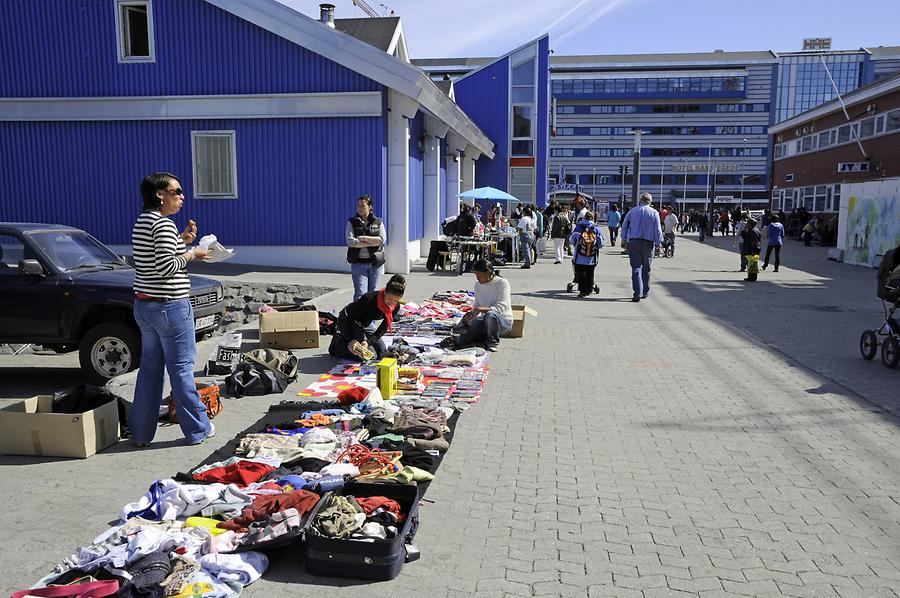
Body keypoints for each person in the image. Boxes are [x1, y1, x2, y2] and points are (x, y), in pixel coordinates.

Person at [130, 172, 213, 448]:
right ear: (159, 194)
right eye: (176, 191)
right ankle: (198, 429)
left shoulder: (143, 222)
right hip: (170, 306)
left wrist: (182, 241)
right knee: (181, 370)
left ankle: (140, 433)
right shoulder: (162, 224)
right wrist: (193, 254)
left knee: (150, 370)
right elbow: (166, 268)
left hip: (145, 305)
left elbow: (155, 258)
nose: (181, 196)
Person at [328, 274, 405, 361]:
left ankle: (352, 341)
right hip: (348, 320)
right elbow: (350, 318)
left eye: (395, 300)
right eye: (389, 299)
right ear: (385, 292)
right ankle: (338, 345)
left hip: (365, 324)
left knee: (382, 352)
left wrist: (368, 342)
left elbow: (383, 328)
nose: (391, 303)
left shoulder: (395, 307)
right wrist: (352, 339)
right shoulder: (369, 298)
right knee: (368, 357)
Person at [446, 259, 513, 352]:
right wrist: (472, 314)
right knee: (461, 341)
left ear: (488, 272)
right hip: (484, 320)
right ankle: (481, 340)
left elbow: (501, 306)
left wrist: (480, 309)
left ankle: (492, 342)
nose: (477, 278)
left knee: (490, 315)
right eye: (476, 275)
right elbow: (477, 304)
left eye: (479, 275)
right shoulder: (478, 285)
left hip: (502, 321)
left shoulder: (501, 283)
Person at [620, 192, 662, 302]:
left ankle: (637, 292)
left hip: (634, 242)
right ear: (650, 201)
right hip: (648, 243)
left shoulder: (633, 211)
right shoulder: (654, 213)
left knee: (636, 268)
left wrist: (624, 238)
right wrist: (658, 244)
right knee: (647, 268)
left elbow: (624, 224)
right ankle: (644, 292)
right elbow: (658, 230)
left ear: (640, 200)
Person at [346, 195, 386, 302]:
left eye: (363, 205)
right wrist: (372, 242)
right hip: (358, 264)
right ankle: (358, 318)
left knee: (374, 293)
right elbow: (351, 242)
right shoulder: (352, 222)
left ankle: (371, 319)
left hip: (375, 264)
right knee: (360, 294)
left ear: (370, 207)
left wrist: (363, 238)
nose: (360, 208)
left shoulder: (378, 222)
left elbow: (382, 240)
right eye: (358, 205)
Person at [569, 210, 604, 298]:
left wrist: (576, 245)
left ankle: (582, 291)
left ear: (584, 217)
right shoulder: (596, 228)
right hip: (592, 257)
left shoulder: (578, 227)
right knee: (590, 273)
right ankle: (589, 290)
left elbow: (572, 240)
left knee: (581, 273)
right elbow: (601, 243)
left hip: (579, 256)